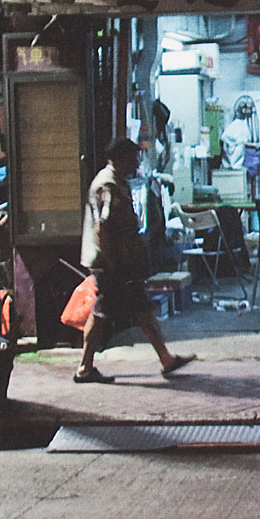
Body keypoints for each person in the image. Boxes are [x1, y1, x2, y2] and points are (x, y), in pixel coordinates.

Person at [73, 138, 192, 385]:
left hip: (119, 260)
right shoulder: (107, 184)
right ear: (120, 158)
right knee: (106, 312)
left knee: (137, 308)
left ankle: (165, 358)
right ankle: (84, 367)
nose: (136, 165)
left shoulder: (117, 182)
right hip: (112, 263)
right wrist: (111, 262)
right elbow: (102, 227)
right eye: (133, 159)